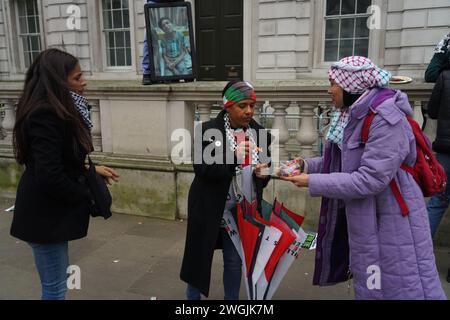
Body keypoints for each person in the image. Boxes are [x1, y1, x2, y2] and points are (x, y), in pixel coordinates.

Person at [281, 56, 446, 299]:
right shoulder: (349, 114)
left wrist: (311, 181)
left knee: (405, 286)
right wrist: (304, 164)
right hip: (369, 216)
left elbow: (369, 179)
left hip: (393, 219)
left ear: (351, 86)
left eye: (332, 83)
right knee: (373, 284)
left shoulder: (386, 118)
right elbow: (340, 161)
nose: (329, 90)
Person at [10, 48, 119, 300]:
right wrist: (86, 194)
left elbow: (57, 159)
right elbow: (49, 175)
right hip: (43, 218)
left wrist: (91, 169)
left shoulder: (58, 109)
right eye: (77, 78)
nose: (84, 83)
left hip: (47, 216)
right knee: (55, 289)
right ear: (59, 81)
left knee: (56, 286)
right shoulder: (45, 113)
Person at [180, 80, 271, 300]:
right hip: (208, 207)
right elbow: (202, 169)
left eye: (252, 105)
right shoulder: (208, 130)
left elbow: (267, 170)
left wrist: (264, 174)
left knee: (233, 261)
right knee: (199, 262)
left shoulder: (260, 133)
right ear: (228, 106)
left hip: (240, 212)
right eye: (242, 106)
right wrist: (234, 156)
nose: (249, 111)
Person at [425, 60, 450, 283]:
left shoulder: (444, 76)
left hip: (446, 148)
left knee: (438, 201)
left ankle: (419, 253)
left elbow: (432, 111)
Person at [142, 0, 185, 85]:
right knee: (149, 38)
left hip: (175, 1)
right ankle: (147, 73)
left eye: (168, 23)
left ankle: (172, 77)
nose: (166, 26)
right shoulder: (163, 40)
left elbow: (184, 50)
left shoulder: (179, 35)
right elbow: (164, 54)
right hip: (154, 1)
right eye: (164, 25)